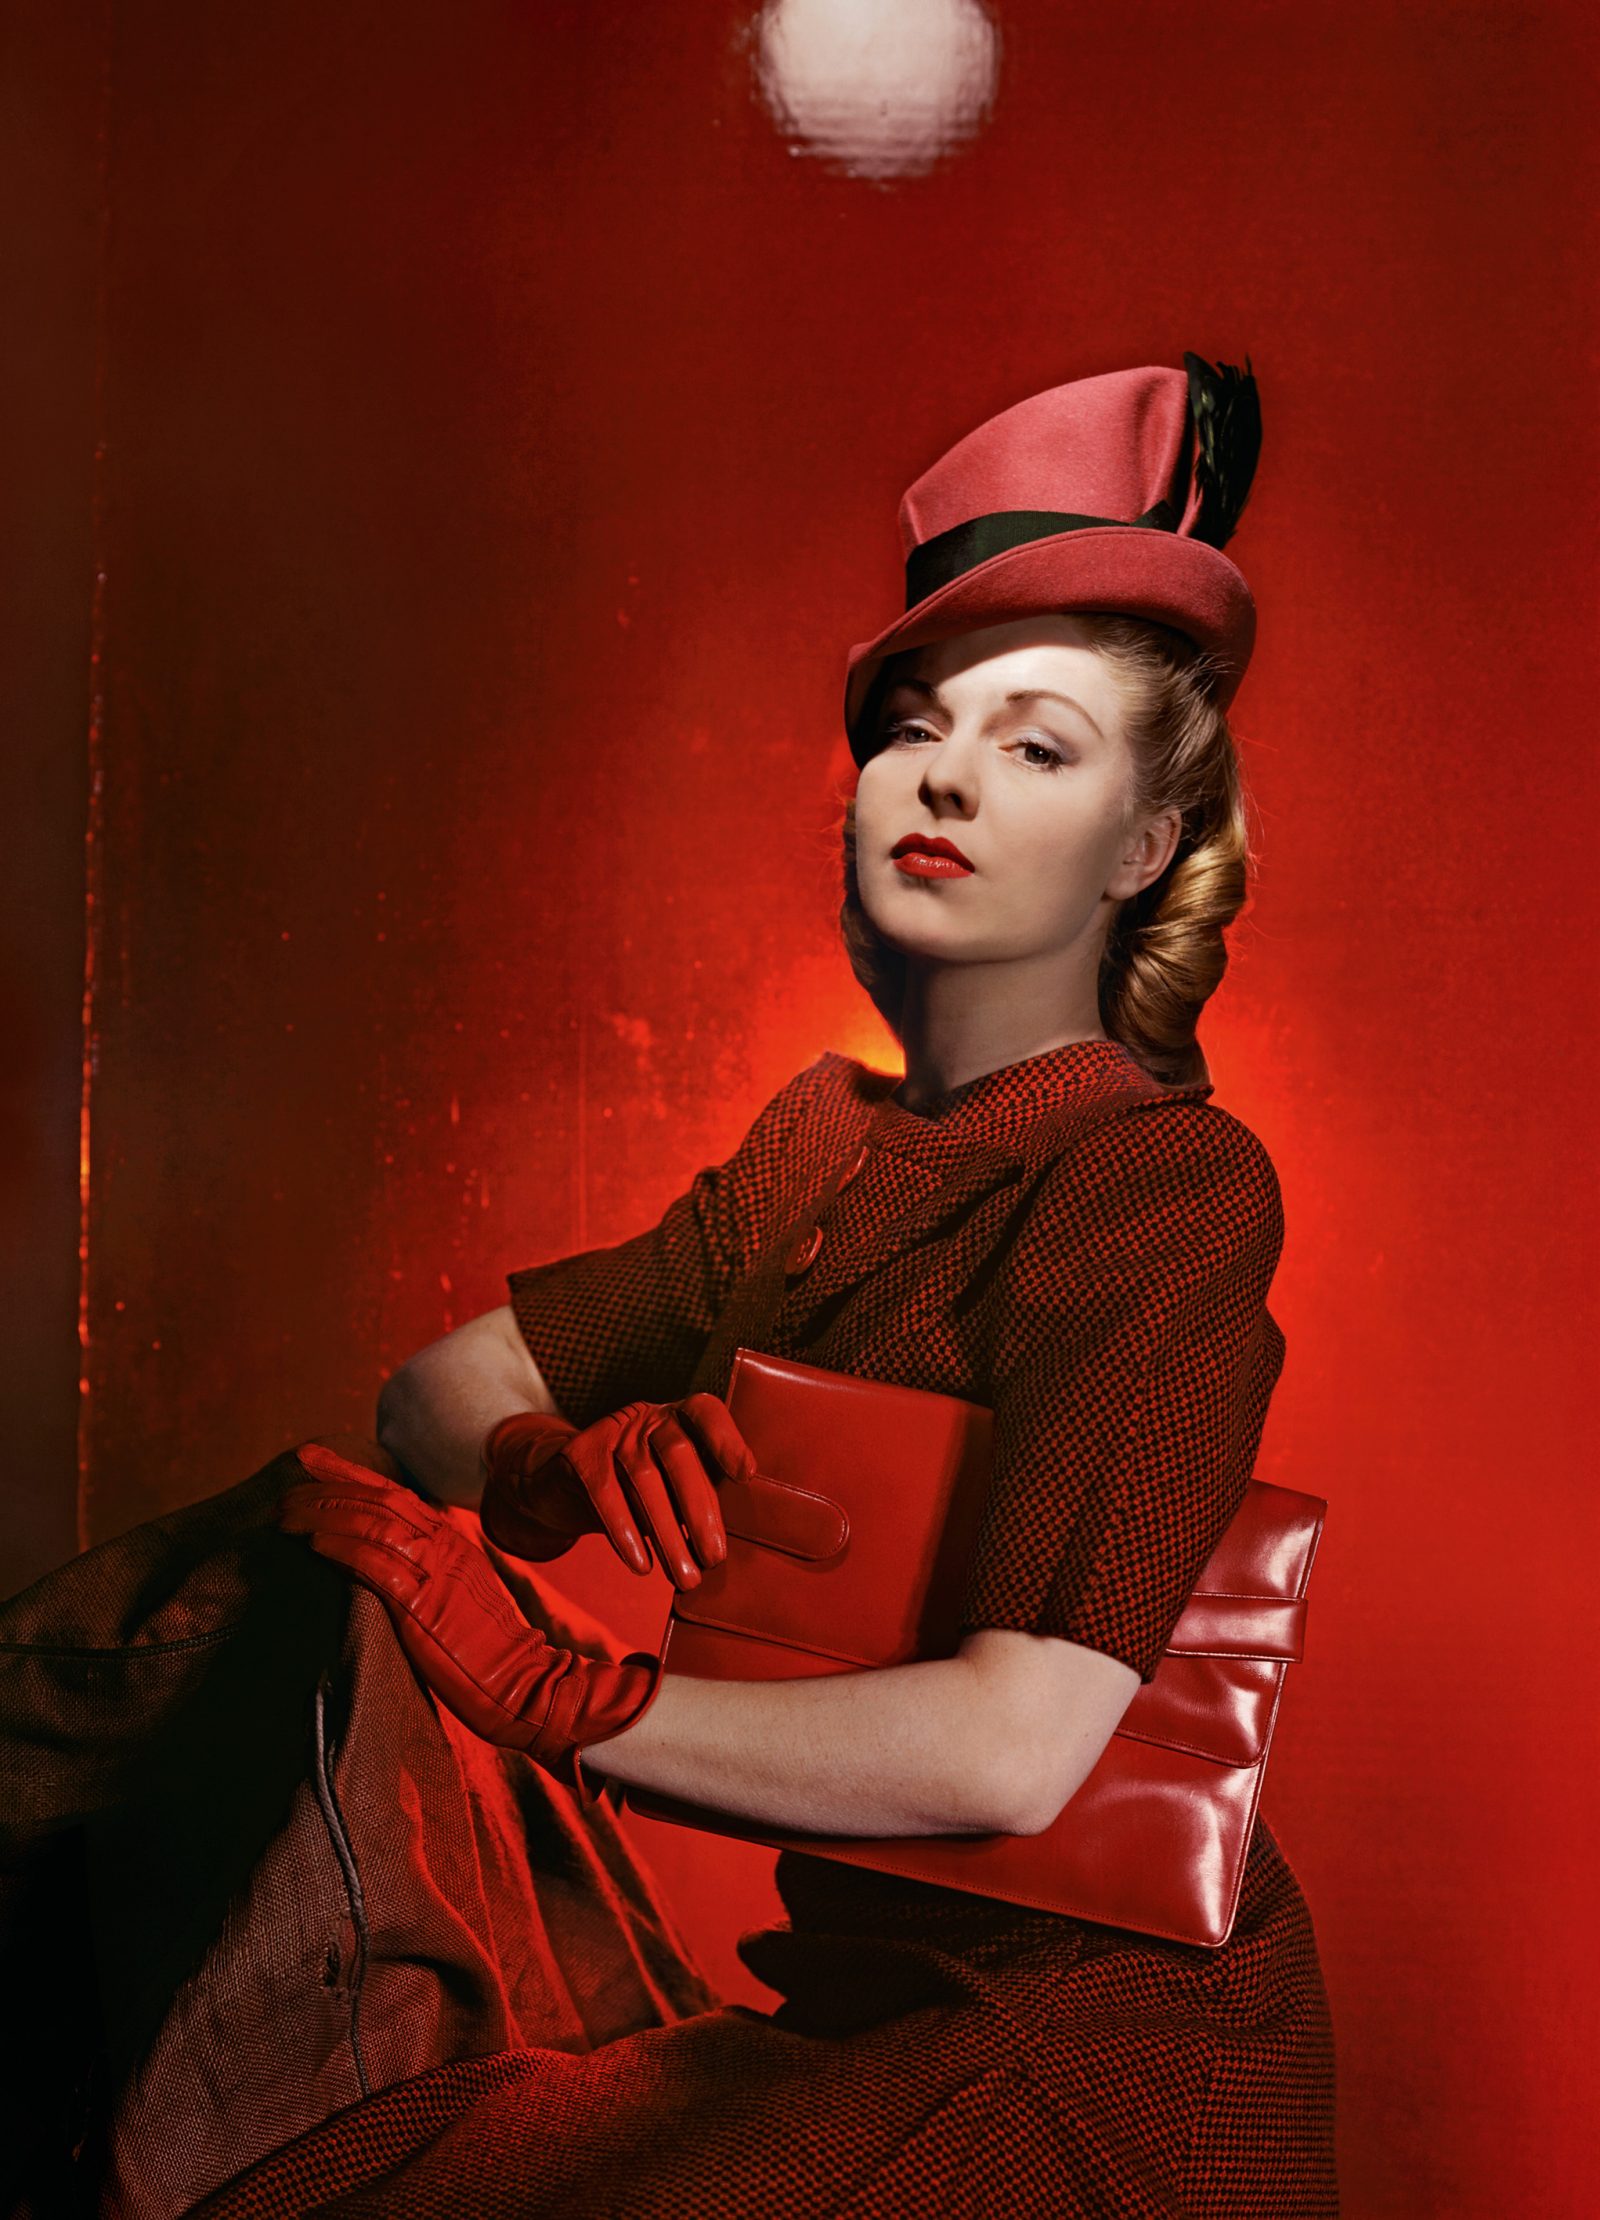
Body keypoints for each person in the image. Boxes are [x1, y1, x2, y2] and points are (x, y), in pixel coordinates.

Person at [0, 358, 1336, 2220]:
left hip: (1089, 2064)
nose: (944, 771)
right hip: (853, 2006)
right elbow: (427, 1400)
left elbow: (1017, 1749)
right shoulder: (824, 1153)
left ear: (1144, 851)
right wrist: (551, 1458)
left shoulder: (1161, 1186)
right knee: (296, 1564)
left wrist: (565, 1691)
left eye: (1039, 744)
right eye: (913, 724)